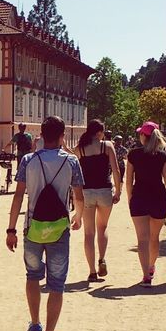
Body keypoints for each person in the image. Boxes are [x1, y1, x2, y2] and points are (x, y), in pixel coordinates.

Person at [6, 115, 84, 331]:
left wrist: (11, 229)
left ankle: (35, 325)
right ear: (62, 137)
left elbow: (19, 196)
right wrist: (78, 216)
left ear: (41, 135)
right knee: (57, 283)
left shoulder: (28, 160)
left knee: (32, 275)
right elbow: (79, 196)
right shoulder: (71, 162)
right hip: (59, 228)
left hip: (32, 228)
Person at [126, 121, 166, 287]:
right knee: (154, 237)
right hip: (157, 198)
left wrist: (130, 198)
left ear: (143, 136)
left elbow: (129, 181)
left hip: (139, 198)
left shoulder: (133, 154)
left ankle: (146, 276)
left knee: (142, 239)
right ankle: (151, 267)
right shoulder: (162, 156)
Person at [72, 119, 121, 283]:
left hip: (87, 192)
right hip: (105, 190)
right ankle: (102, 259)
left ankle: (92, 271)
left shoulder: (80, 149)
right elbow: (116, 170)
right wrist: (118, 191)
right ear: (99, 132)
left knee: (88, 233)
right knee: (103, 227)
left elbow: (73, 167)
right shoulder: (106, 146)